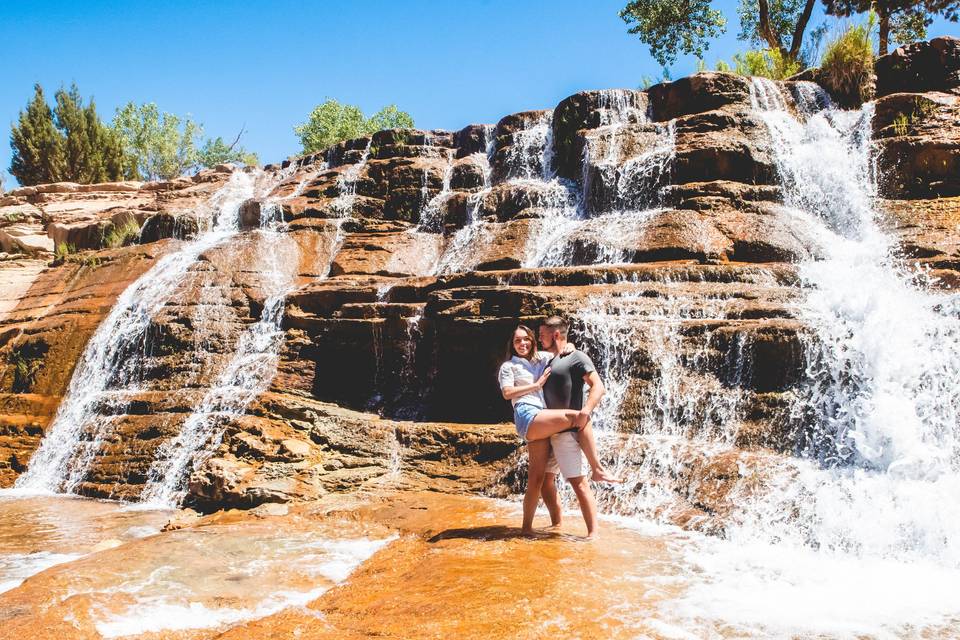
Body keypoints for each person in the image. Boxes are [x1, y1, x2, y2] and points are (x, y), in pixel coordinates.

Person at [497, 322, 620, 538]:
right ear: (512, 344)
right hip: (529, 415)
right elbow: (507, 393)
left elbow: (560, 349)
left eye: (527, 339)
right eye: (517, 340)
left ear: (534, 342)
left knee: (539, 479)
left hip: (545, 419)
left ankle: (539, 528)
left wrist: (570, 344)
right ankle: (597, 468)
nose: (522, 343)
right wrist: (534, 387)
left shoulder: (540, 359)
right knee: (578, 416)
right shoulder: (509, 366)